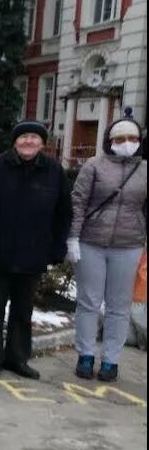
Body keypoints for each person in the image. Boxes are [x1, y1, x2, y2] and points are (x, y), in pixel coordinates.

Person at [0, 120, 72, 381]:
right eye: (23, 137)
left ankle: (17, 358)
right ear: (14, 141)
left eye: (34, 138)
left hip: (33, 254)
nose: (28, 142)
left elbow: (63, 214)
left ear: (42, 143)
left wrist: (58, 247)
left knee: (24, 310)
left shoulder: (54, 171)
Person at [68, 119, 145, 383]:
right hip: (91, 242)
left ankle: (111, 359)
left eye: (132, 139)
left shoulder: (145, 169)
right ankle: (86, 355)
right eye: (120, 139)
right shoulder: (94, 166)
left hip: (129, 244)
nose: (127, 144)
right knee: (88, 301)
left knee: (119, 305)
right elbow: (78, 202)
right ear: (110, 141)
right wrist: (73, 238)